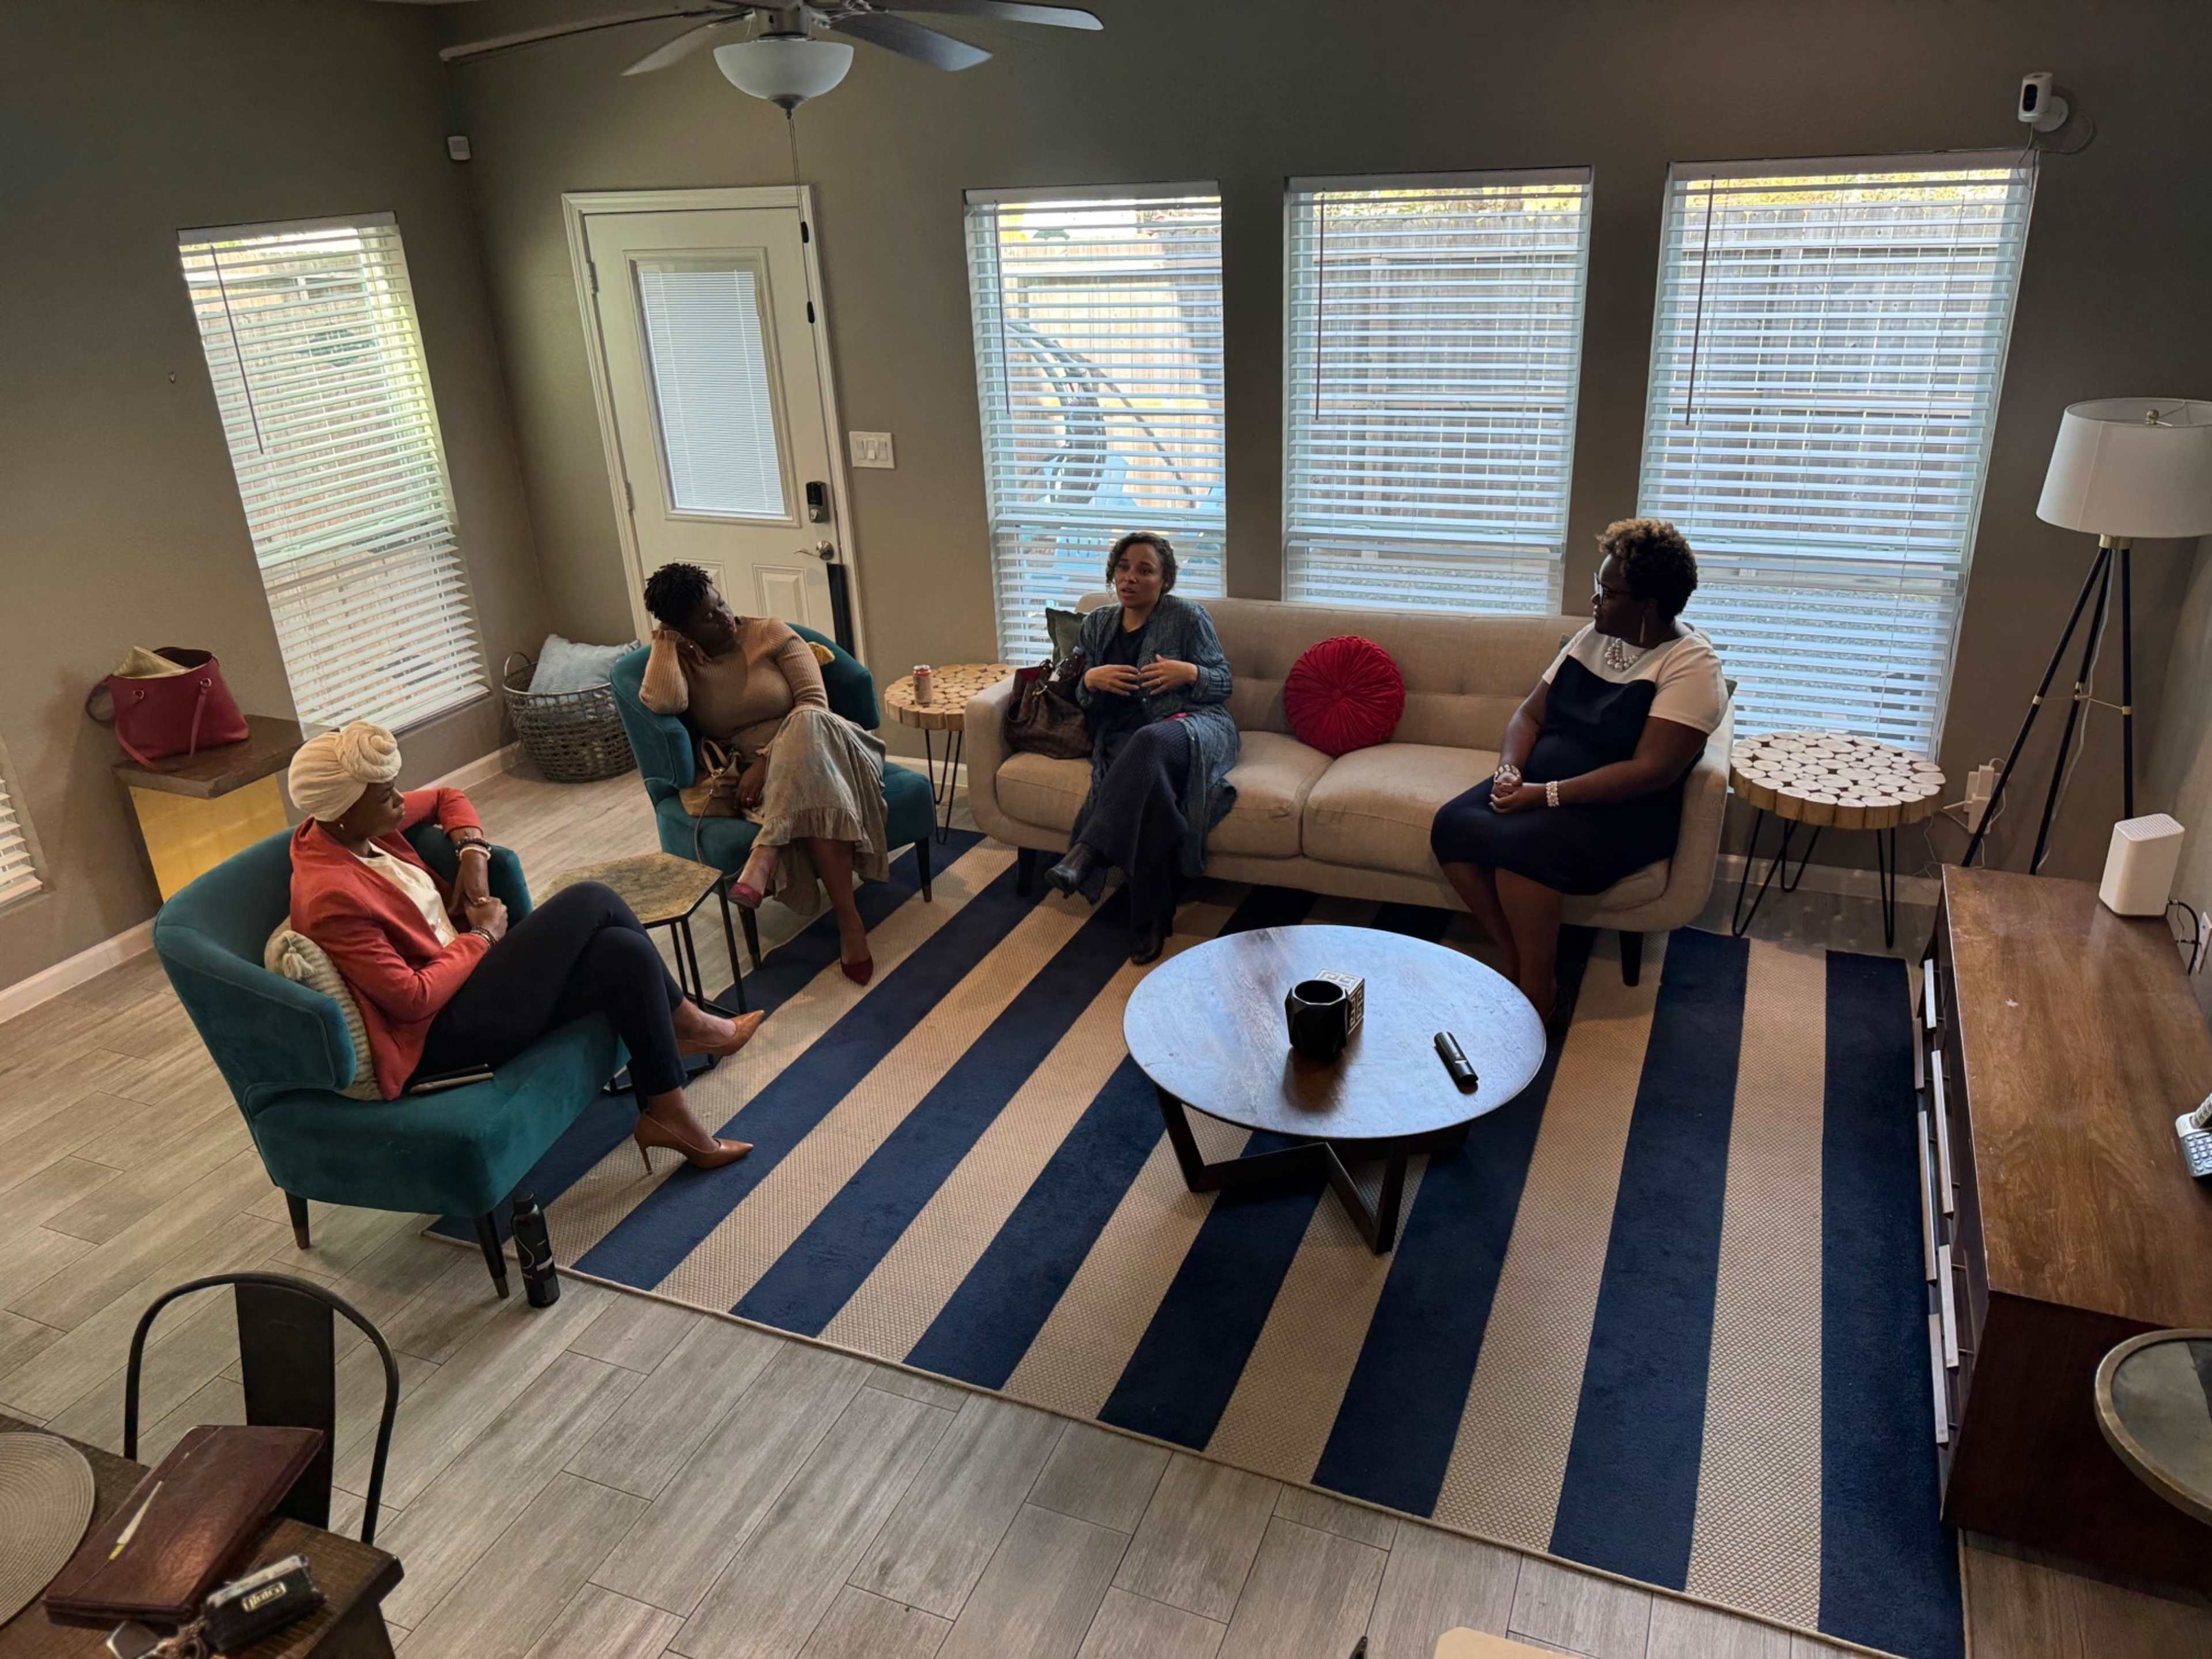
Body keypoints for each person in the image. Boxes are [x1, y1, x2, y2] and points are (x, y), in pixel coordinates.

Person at [287, 721, 760, 1170]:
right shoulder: (331, 896)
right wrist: (483, 936)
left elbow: (449, 798)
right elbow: (411, 999)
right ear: (344, 812)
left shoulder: (355, 827)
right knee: (592, 899)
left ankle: (668, 1112)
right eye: (387, 795)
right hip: (443, 1035)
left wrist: (472, 852)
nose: (399, 802)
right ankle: (691, 1025)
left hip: (470, 984)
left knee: (623, 952)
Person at [1429, 518, 1728, 1022]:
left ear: (1648, 605)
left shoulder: (1690, 666)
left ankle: (1537, 994)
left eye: (1609, 593)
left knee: (1522, 852)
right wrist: (1510, 770)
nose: (1596, 601)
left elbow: (1651, 771)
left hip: (1622, 811)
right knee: (1452, 826)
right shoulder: (1595, 636)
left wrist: (1544, 795)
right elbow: (1530, 714)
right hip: (1540, 788)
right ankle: (1519, 962)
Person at [639, 565, 889, 984]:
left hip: (834, 747)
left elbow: (814, 703)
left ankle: (767, 848)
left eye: (720, 603)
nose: (724, 618)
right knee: (814, 794)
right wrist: (666, 641)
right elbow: (664, 701)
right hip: (782, 780)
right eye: (706, 617)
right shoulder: (682, 658)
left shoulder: (770, 633)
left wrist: (766, 761)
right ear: (682, 630)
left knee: (808, 720)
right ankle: (851, 924)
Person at [1046, 531, 1239, 965]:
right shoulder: (1098, 623)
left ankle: (1088, 850)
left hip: (1190, 727)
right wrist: (1088, 682)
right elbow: (1082, 699)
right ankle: (1151, 916)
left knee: (1149, 741)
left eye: (1144, 570)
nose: (1130, 578)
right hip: (1121, 738)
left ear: (1164, 579)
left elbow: (1223, 684)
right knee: (1150, 793)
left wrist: (1189, 672)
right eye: (1123, 568)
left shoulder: (1188, 618)